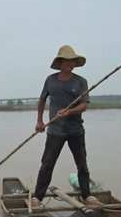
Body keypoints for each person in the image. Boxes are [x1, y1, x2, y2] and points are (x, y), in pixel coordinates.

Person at [30, 45, 102, 208]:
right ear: (60, 62)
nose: (69, 64)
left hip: (75, 130)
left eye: (72, 62)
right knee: (47, 164)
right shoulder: (51, 80)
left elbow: (84, 106)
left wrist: (69, 112)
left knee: (82, 163)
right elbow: (42, 101)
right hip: (55, 130)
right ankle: (37, 197)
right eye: (66, 61)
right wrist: (39, 121)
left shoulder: (80, 81)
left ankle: (86, 195)